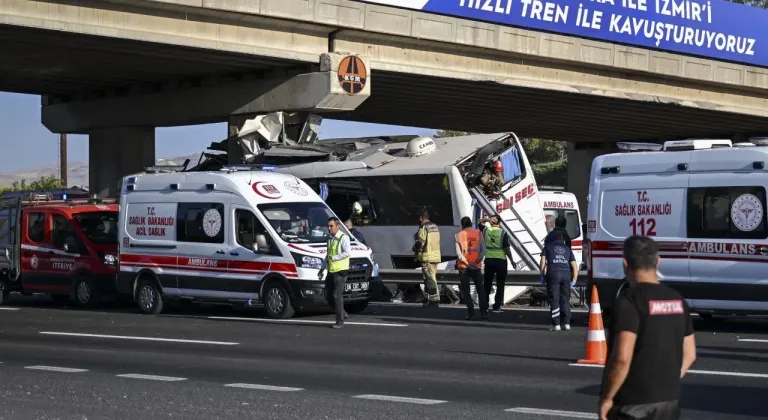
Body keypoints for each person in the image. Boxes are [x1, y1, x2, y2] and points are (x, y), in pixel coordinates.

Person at [598, 236, 697, 420]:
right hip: (669, 401)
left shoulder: (629, 301)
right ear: (658, 262)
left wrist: (607, 397)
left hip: (632, 404)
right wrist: (668, 381)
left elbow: (621, 358)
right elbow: (690, 354)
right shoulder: (677, 300)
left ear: (624, 263)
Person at [540, 230, 578, 331]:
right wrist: (574, 280)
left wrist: (542, 276)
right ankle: (567, 323)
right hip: (566, 274)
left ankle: (556, 324)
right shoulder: (567, 249)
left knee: (554, 299)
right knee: (565, 299)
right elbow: (574, 266)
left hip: (553, 273)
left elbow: (543, 262)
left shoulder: (547, 247)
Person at [477, 215, 515, 313]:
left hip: (489, 260)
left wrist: (486, 219)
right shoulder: (503, 233)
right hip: (501, 261)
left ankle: (485, 305)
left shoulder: (486, 230)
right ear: (500, 223)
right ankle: (497, 306)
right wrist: (511, 260)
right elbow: (507, 249)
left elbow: (478, 222)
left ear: (491, 222)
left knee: (487, 284)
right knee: (500, 284)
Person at [318, 217, 351, 329]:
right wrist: (322, 269)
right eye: (328, 226)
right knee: (328, 295)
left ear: (338, 226)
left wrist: (335, 258)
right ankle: (342, 313)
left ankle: (339, 321)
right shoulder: (330, 238)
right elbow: (328, 255)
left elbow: (347, 252)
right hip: (331, 270)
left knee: (337, 296)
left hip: (340, 271)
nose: (329, 228)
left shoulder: (343, 237)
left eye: (331, 226)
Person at [455, 216, 487, 319]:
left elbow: (459, 255)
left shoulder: (458, 235)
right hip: (476, 266)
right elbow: (483, 250)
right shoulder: (478, 233)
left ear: (462, 225)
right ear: (470, 224)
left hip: (464, 267)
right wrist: (477, 261)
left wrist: (468, 263)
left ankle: (471, 313)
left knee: (466, 291)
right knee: (480, 290)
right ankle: (484, 313)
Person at [413, 208, 441, 307]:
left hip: (427, 257)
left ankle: (434, 300)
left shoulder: (423, 227)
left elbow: (420, 243)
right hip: (436, 256)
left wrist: (415, 250)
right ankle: (428, 299)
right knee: (431, 278)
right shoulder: (435, 226)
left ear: (421, 218)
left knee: (430, 279)